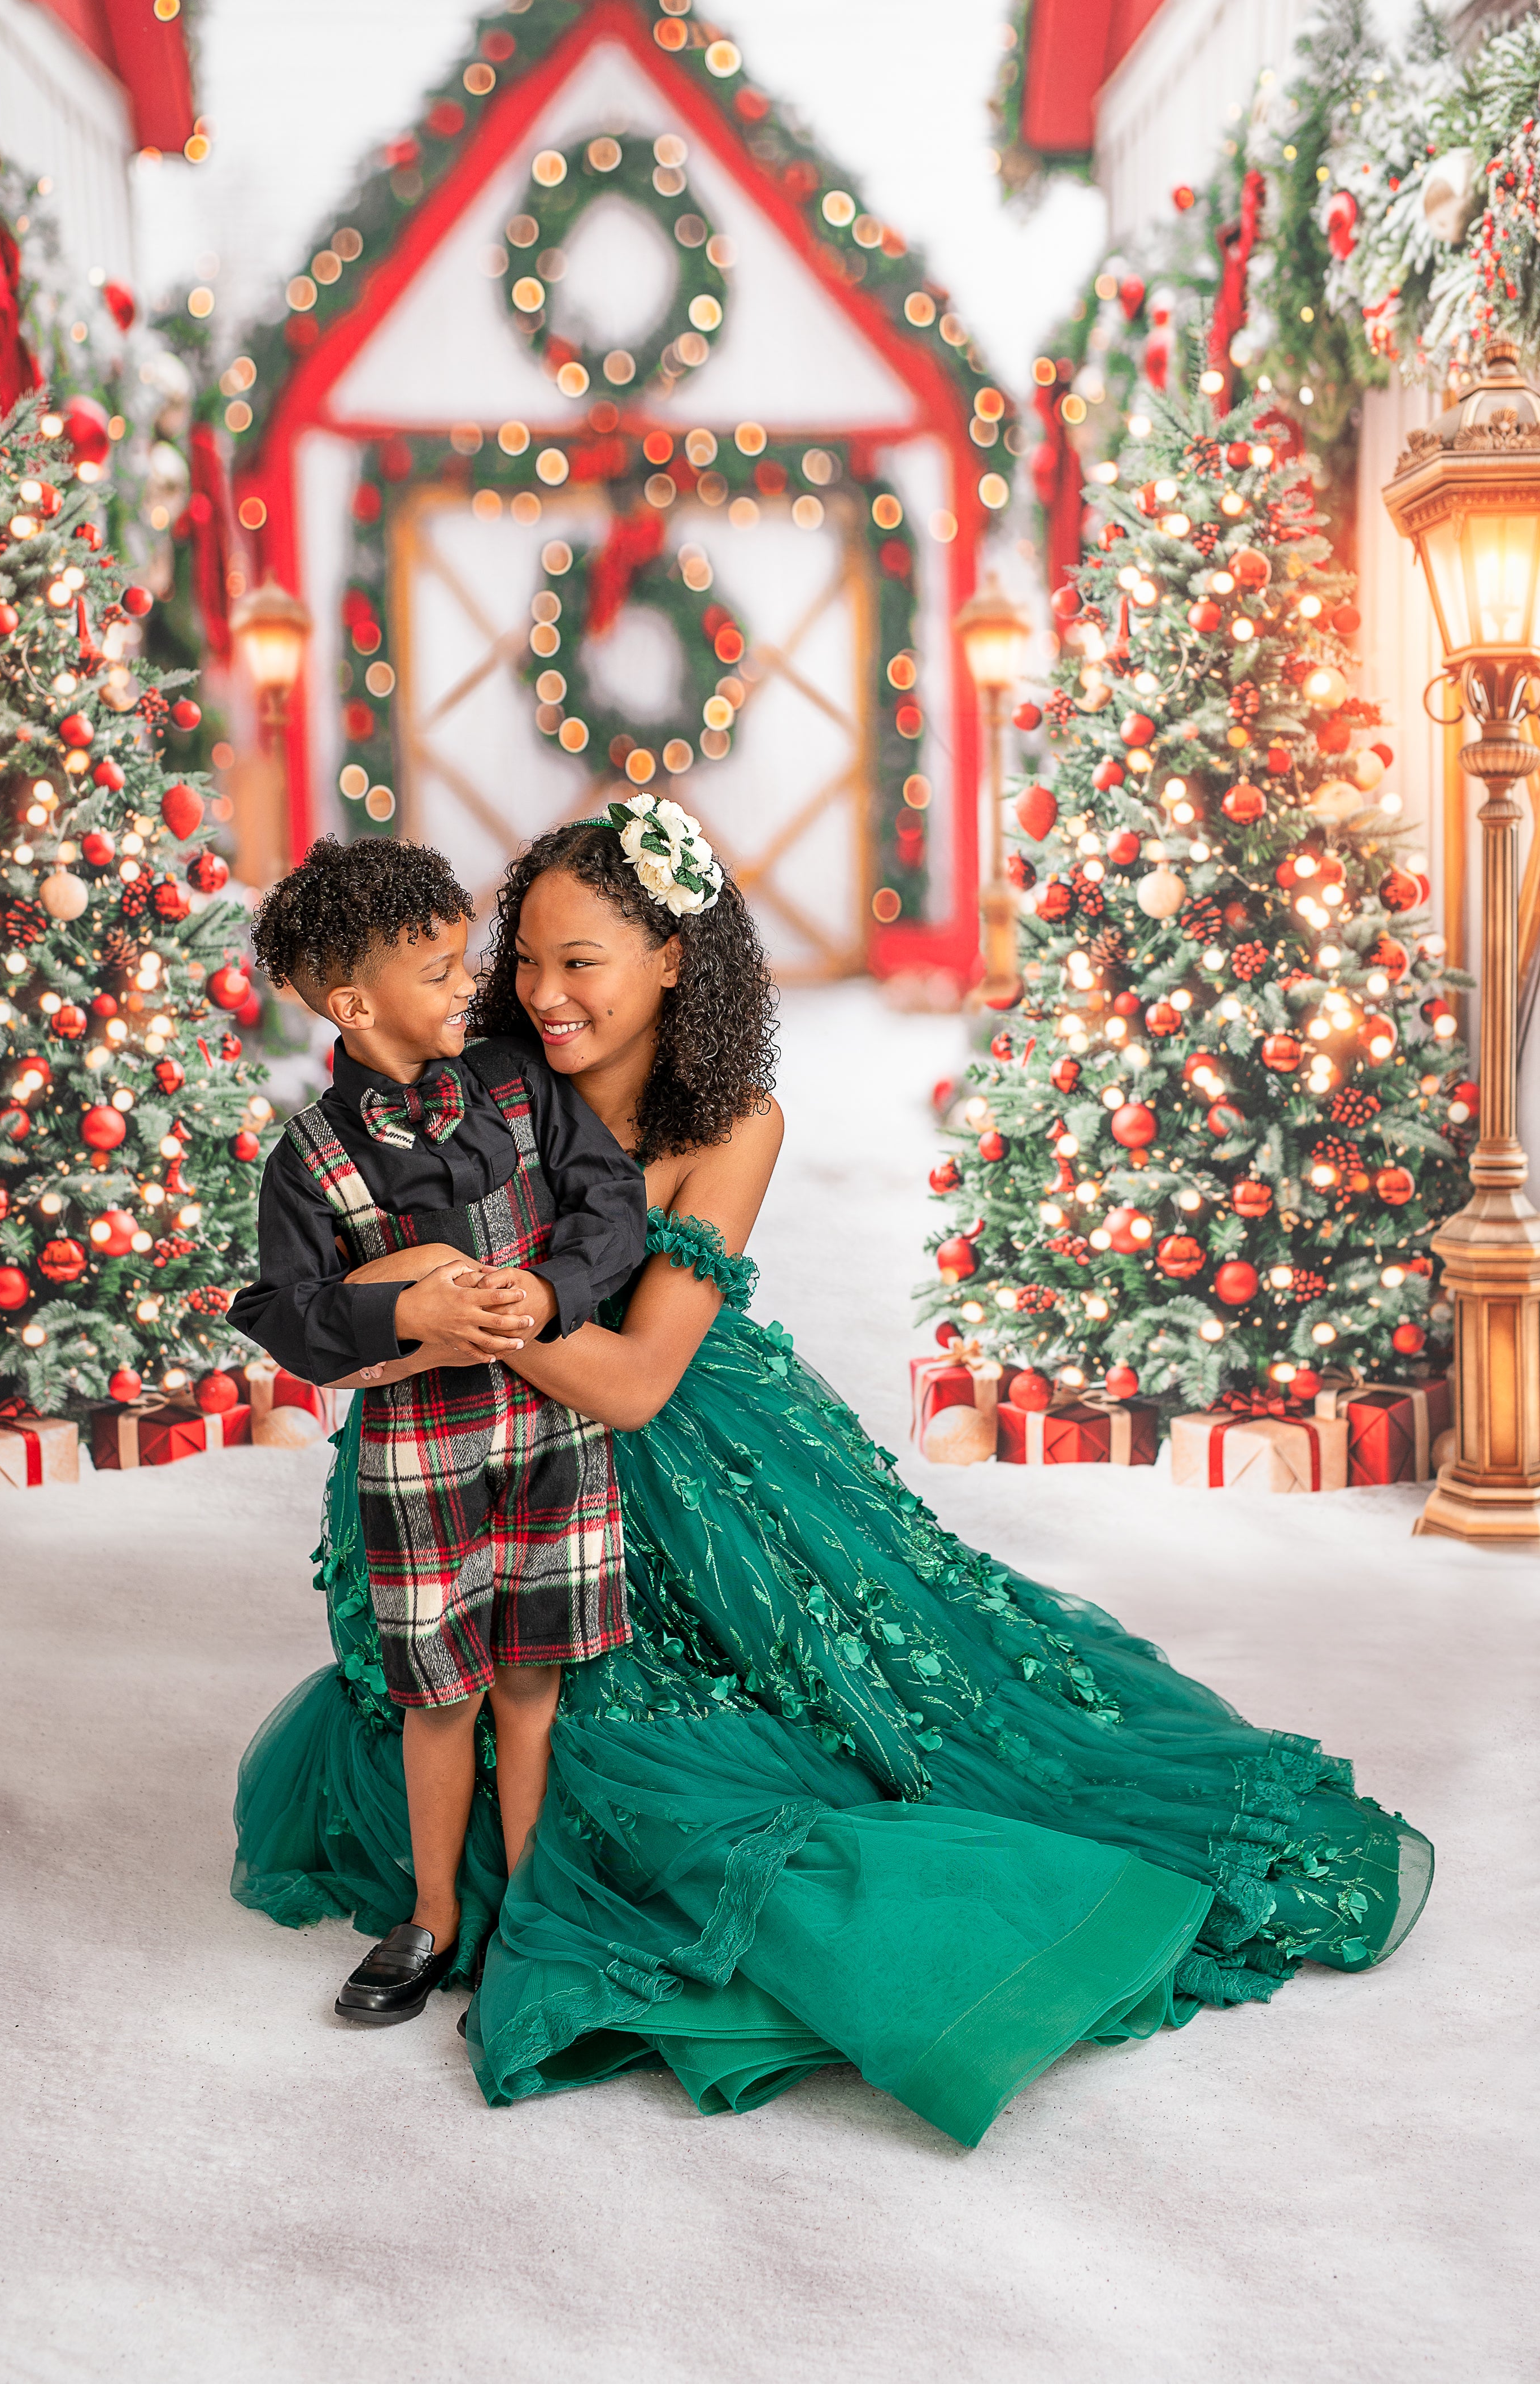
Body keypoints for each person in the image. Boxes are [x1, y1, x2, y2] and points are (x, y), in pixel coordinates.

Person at [234, 799, 1433, 2148]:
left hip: (662, 1452)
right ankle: (457, 1898)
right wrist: (394, 1308)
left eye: (583, 962)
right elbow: (321, 1303)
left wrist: (449, 1299)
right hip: (458, 1464)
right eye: (523, 961)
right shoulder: (478, 1068)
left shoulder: (730, 1122)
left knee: (702, 1758)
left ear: (675, 957)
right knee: (436, 1698)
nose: (539, 993)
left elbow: (633, 1381)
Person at [228, 835, 648, 2026]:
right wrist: (401, 1304)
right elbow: (287, 1313)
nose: (472, 987)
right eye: (440, 971)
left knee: (530, 1675)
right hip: (418, 1451)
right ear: (356, 1006)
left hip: (551, 1426)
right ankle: (431, 1912)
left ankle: (523, 1903)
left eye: (466, 963)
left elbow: (608, 1199)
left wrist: (558, 1289)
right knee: (440, 1690)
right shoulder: (309, 1158)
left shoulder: (518, 1083)